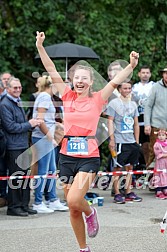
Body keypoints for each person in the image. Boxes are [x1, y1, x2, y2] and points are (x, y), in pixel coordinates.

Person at [35, 30, 139, 252]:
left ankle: (91, 212)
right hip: (66, 155)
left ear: (91, 82)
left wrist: (130, 66)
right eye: (77, 78)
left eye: (84, 78)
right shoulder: (66, 94)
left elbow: (116, 80)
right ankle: (83, 248)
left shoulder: (98, 98)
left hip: (88, 155)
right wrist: (40, 47)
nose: (80, 81)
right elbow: (51, 69)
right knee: (73, 209)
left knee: (74, 200)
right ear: (72, 81)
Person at [0, 77, 41, 216]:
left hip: (23, 144)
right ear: (7, 89)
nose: (18, 90)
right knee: (15, 177)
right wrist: (30, 124)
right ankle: (14, 207)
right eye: (14, 88)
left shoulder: (17, 101)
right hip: (13, 146)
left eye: (19, 87)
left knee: (25, 176)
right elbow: (10, 127)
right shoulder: (4, 104)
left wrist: (30, 124)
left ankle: (24, 204)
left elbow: (20, 124)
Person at [31, 75, 69, 213]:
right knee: (43, 171)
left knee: (52, 170)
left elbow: (48, 119)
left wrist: (57, 125)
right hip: (42, 139)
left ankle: (52, 199)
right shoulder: (45, 97)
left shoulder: (47, 97)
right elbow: (40, 120)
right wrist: (49, 137)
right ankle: (37, 201)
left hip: (47, 138)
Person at [105, 82, 142, 204]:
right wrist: (112, 139)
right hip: (119, 140)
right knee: (117, 167)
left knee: (130, 167)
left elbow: (136, 123)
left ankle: (128, 191)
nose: (127, 90)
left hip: (131, 140)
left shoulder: (133, 104)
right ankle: (117, 192)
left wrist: (136, 141)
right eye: (125, 88)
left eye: (129, 88)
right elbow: (110, 122)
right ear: (119, 89)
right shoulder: (114, 104)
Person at [144, 66, 167, 167]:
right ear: (163, 74)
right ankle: (147, 179)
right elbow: (148, 106)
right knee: (154, 151)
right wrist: (147, 124)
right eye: (165, 73)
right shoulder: (156, 87)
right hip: (156, 125)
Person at [132, 65, 154, 165]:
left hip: (151, 120)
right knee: (138, 145)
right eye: (143, 73)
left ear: (150, 74)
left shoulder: (154, 86)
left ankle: (150, 166)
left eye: (147, 73)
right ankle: (140, 166)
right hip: (137, 120)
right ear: (139, 74)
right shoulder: (134, 87)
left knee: (150, 145)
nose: (145, 75)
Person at [153, 129, 167, 199]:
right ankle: (158, 190)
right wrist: (165, 155)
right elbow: (158, 154)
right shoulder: (157, 144)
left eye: (163, 135)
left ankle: (165, 188)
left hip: (166, 163)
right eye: (159, 135)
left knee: (165, 175)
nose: (161, 137)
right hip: (160, 163)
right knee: (159, 174)